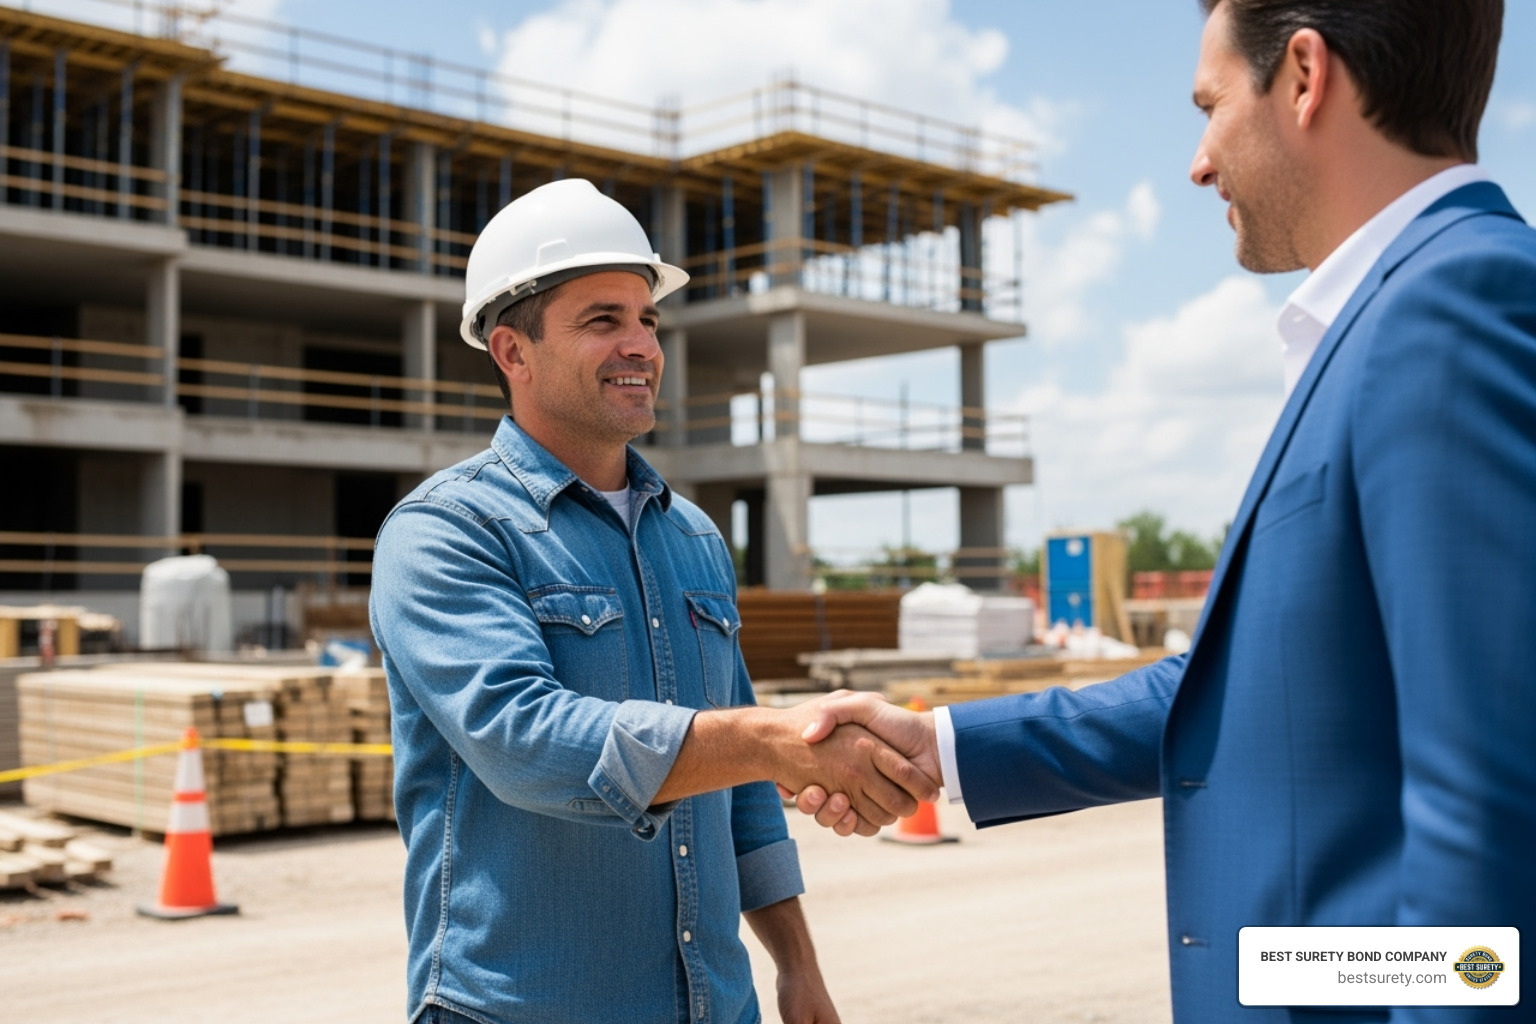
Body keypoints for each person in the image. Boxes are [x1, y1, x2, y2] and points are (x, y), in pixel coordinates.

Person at [791, 1, 1536, 1020]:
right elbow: (1243, 690)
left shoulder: (1451, 306)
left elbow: (1490, 808)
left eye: (1210, 104)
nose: (1197, 160)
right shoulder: (1378, 321)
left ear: (1305, 76)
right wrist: (939, 750)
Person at [370, 179, 938, 1024]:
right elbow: (526, 741)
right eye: (603, 320)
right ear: (511, 352)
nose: (641, 345)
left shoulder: (694, 539)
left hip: (714, 1003)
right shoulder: (445, 533)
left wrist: (795, 962)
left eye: (648, 319)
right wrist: (774, 739)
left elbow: (743, 783)